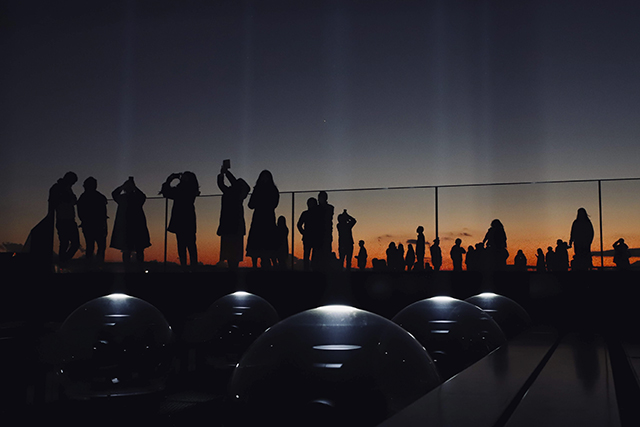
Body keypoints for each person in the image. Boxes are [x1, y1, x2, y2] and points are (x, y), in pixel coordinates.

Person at [160, 171, 200, 270]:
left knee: (185, 245)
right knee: (188, 245)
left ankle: (186, 267)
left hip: (182, 220)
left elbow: (166, 192)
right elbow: (167, 193)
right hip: (187, 220)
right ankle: (191, 267)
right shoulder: (188, 189)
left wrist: (170, 179)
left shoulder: (184, 189)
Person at [110, 177, 151, 266]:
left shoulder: (122, 198)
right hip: (137, 226)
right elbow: (143, 196)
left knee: (127, 249)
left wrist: (123, 186)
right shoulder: (136, 198)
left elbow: (114, 193)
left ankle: (128, 268)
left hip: (127, 226)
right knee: (137, 249)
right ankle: (138, 267)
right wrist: (133, 187)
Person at [217, 165, 250, 269]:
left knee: (233, 252)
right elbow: (221, 184)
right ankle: (232, 270)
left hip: (234, 225)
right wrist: (223, 174)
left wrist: (226, 173)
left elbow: (231, 183)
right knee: (231, 251)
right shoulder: (232, 192)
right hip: (230, 225)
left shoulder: (238, 193)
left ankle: (233, 270)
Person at [246, 170, 279, 268]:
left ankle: (260, 265)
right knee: (260, 243)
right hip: (262, 219)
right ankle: (256, 265)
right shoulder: (267, 190)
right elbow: (251, 204)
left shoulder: (266, 190)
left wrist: (260, 202)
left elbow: (273, 204)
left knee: (262, 243)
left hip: (264, 219)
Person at [49, 171, 80, 268]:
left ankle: (63, 261)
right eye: (73, 182)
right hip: (63, 219)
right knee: (66, 243)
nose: (73, 184)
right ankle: (63, 262)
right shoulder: (58, 188)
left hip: (68, 219)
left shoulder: (67, 188)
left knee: (70, 243)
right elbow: (54, 202)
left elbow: (73, 200)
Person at [77, 177, 108, 266]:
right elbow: (103, 213)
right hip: (99, 226)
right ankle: (98, 265)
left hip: (88, 226)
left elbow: (80, 213)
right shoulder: (100, 197)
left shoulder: (83, 197)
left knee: (90, 246)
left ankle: (90, 266)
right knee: (100, 247)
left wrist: (84, 221)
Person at [313, 191, 334, 271]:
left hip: (324, 235)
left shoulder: (327, 208)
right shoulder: (329, 208)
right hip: (321, 235)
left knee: (323, 255)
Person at [297, 197, 318, 271]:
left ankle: (308, 270)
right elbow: (299, 225)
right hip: (313, 238)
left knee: (308, 256)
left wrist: (304, 233)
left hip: (310, 238)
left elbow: (299, 225)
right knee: (311, 256)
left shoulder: (306, 213)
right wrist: (304, 233)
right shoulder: (316, 214)